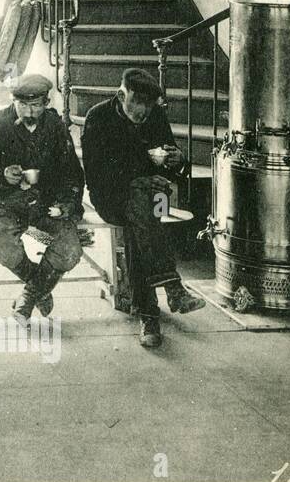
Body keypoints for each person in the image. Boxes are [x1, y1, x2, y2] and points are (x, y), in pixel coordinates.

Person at [81, 68, 206, 348]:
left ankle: (149, 313)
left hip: (149, 198)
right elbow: (96, 176)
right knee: (142, 213)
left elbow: (171, 163)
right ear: (121, 95)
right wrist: (139, 180)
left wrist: (178, 161)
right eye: (137, 102)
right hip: (110, 198)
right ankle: (168, 292)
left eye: (149, 105)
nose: (142, 111)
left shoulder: (155, 117)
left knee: (143, 217)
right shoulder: (97, 118)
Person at [0, 73, 85, 325]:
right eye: (22, 105)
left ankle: (29, 296)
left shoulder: (55, 127)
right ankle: (38, 289)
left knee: (70, 250)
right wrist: (1, 174)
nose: (29, 112)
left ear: (47, 102)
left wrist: (68, 203)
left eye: (35, 106)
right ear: (12, 100)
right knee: (3, 245)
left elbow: (72, 174)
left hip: (44, 203)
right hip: (2, 201)